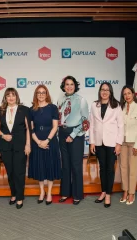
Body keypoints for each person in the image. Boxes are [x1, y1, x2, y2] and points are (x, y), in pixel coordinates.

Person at [0, 88, 31, 209]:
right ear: (5, 97)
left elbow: (28, 129)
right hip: (6, 147)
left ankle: (20, 197)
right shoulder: (1, 110)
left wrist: (28, 145)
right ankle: (13, 194)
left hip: (20, 146)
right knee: (10, 172)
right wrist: (3, 136)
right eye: (8, 95)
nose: (11, 98)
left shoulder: (24, 110)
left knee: (19, 172)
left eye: (13, 95)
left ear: (17, 97)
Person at [89, 82, 124, 208]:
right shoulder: (94, 105)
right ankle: (103, 191)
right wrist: (92, 141)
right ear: (99, 91)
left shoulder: (116, 105)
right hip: (98, 142)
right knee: (102, 168)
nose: (104, 92)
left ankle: (108, 194)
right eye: (102, 90)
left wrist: (119, 143)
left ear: (110, 92)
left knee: (110, 169)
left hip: (112, 142)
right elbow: (92, 124)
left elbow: (121, 125)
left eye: (107, 90)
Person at [57, 76, 89, 205]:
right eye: (67, 84)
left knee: (76, 166)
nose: (69, 86)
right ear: (63, 86)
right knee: (65, 165)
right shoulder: (60, 99)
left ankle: (77, 194)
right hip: (62, 132)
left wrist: (73, 134)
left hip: (75, 134)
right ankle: (65, 192)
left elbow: (86, 122)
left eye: (71, 84)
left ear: (75, 86)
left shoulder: (81, 100)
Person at [28, 85, 61, 205]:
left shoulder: (53, 108)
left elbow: (55, 127)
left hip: (50, 142)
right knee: (40, 168)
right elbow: (31, 129)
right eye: (38, 93)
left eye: (43, 92)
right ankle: (42, 192)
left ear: (47, 94)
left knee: (50, 167)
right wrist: (38, 142)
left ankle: (49, 193)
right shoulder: (32, 110)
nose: (41, 95)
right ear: (36, 95)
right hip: (37, 142)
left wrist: (46, 141)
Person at [118, 85, 137, 205]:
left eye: (129, 93)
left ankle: (131, 193)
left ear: (133, 94)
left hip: (134, 142)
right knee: (123, 168)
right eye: (124, 94)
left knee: (133, 169)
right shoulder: (120, 108)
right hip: (122, 142)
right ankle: (125, 190)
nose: (127, 96)